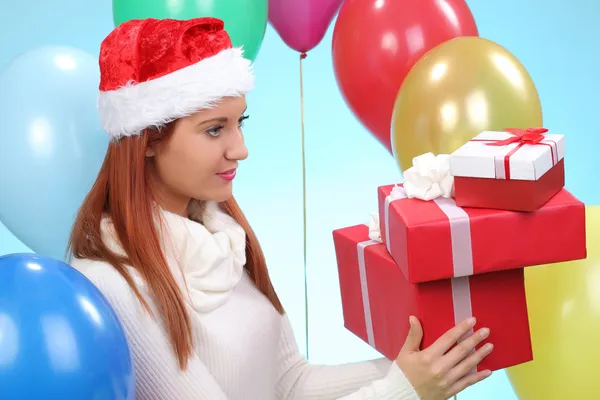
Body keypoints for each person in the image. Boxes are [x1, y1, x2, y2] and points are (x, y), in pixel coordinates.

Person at [68, 17, 493, 400]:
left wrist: (433, 365)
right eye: (215, 129)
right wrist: (403, 390)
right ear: (149, 141)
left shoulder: (225, 239)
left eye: (240, 123)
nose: (241, 149)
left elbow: (289, 383)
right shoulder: (115, 282)